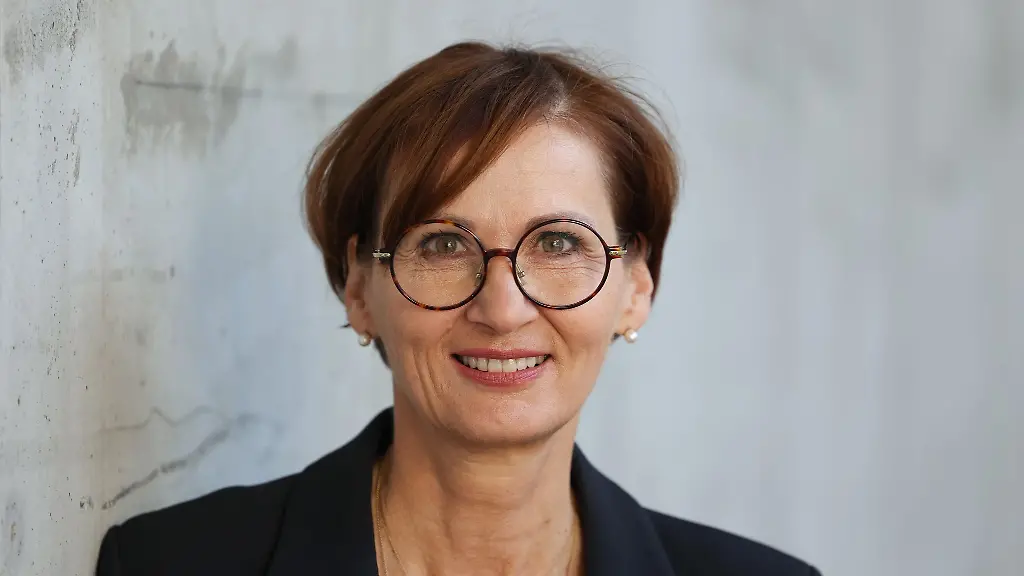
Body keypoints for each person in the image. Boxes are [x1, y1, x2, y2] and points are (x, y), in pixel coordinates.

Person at [96, 41, 821, 575]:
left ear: (637, 287)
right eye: (443, 245)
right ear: (359, 289)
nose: (502, 309)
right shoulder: (170, 565)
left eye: (559, 243)